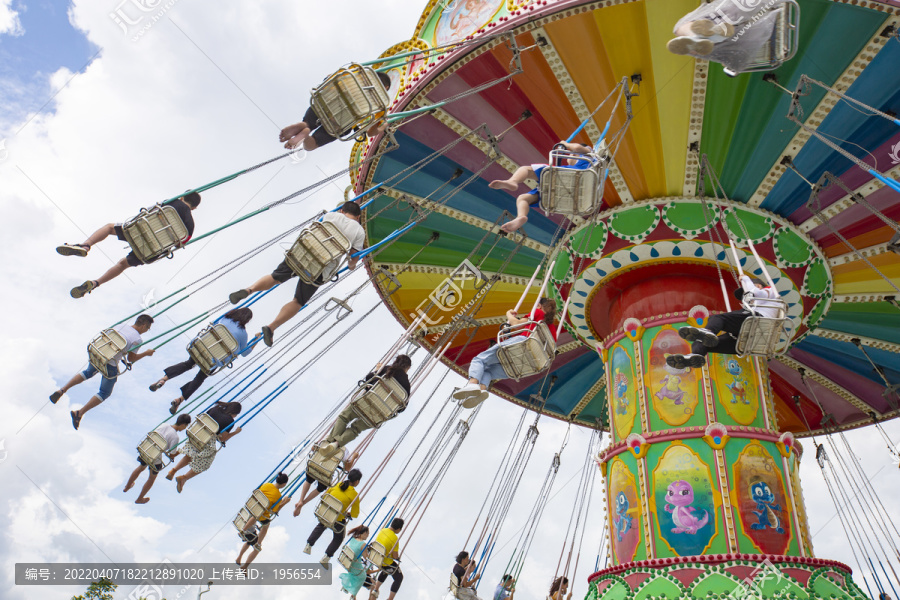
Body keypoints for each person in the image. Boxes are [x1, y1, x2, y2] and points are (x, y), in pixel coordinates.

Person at [228, 201, 366, 346]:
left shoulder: (331, 216)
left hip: (302, 253)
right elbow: (353, 256)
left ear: (342, 211)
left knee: (275, 277)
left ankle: (249, 290)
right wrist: (352, 265)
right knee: (298, 301)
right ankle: (272, 327)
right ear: (357, 217)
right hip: (320, 269)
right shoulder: (359, 231)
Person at [58, 192, 202, 298]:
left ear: (183, 197)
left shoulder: (173, 201)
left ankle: (86, 246)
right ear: (194, 208)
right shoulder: (191, 226)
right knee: (122, 264)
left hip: (140, 230)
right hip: (152, 249)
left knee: (109, 228)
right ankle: (96, 283)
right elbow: (180, 243)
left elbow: (151, 210)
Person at [50, 314, 156, 430]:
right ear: (144, 326)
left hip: (99, 354)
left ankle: (62, 390)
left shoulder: (120, 325)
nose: (146, 331)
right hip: (110, 364)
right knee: (104, 392)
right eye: (147, 328)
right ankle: (79, 413)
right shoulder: (137, 339)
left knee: (87, 373)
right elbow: (131, 358)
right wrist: (146, 353)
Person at [149, 308, 260, 414]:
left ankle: (163, 379)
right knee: (200, 378)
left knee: (188, 364)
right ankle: (180, 400)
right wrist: (256, 340)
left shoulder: (225, 318)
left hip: (201, 347)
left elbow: (211, 325)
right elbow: (244, 352)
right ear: (247, 320)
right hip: (213, 360)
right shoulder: (243, 334)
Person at [452, 298, 558, 408]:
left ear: (539, 306)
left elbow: (516, 324)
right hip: (529, 363)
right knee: (489, 372)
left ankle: (473, 384)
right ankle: (482, 390)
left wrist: (509, 314)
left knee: (479, 360)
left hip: (521, 345)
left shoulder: (538, 312)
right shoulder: (552, 330)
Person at [666, 275, 780, 370]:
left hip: (757, 320)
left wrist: (745, 279)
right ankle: (695, 356)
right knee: (701, 340)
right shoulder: (755, 304)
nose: (745, 299)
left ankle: (708, 331)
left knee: (718, 319)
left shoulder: (770, 291)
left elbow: (758, 294)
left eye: (746, 293)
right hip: (742, 340)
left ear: (758, 286)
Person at [320, 355, 413, 458]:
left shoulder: (388, 369)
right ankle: (336, 445)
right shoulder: (407, 386)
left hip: (366, 402)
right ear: (408, 368)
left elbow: (369, 378)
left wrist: (378, 369)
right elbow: (402, 408)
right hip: (378, 415)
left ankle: (330, 442)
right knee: (356, 429)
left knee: (344, 417)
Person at [489, 142, 593, 233]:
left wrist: (566, 144)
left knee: (526, 169)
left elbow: (578, 148)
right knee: (523, 198)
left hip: (565, 177)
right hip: (569, 191)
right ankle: (520, 217)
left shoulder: (588, 155)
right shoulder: (591, 168)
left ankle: (513, 182)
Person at [279, 72, 392, 152]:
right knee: (311, 145)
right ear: (385, 88)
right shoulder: (380, 106)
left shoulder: (351, 75)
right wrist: (385, 125)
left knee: (309, 121)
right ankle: (306, 136)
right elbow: (370, 132)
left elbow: (328, 78)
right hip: (340, 124)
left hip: (323, 106)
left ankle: (305, 125)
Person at [666, 0, 784, 74]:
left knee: (681, 28)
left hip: (733, 29)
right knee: (680, 28)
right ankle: (698, 35)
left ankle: (696, 35)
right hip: (742, 41)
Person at [166, 401, 243, 492]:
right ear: (235, 413)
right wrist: (235, 432)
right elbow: (223, 438)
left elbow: (203, 417)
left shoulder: (215, 409)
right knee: (206, 462)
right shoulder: (230, 420)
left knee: (191, 453)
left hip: (197, 432)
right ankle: (184, 478)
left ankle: (173, 470)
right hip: (206, 441)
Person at [124, 414, 191, 504]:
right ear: (183, 424)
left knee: (141, 467)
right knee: (152, 477)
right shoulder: (175, 437)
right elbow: (171, 455)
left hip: (147, 448)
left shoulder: (164, 425)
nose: (185, 428)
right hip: (155, 457)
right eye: (186, 426)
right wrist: (181, 451)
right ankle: (140, 498)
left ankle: (127, 486)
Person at [304, 469, 363, 567]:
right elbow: (355, 514)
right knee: (339, 537)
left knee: (322, 525)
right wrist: (347, 513)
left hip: (325, 513)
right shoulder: (354, 495)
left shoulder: (338, 485)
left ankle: (308, 545)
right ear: (357, 481)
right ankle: (326, 557)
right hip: (337, 519)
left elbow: (325, 495)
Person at [236, 472, 292, 569]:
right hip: (261, 515)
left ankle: (241, 557)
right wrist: (284, 502)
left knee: (250, 540)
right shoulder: (277, 495)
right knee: (265, 527)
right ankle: (257, 545)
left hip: (253, 507)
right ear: (284, 484)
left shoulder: (266, 485)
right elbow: (274, 511)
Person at [293, 448, 360, 517]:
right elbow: (347, 468)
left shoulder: (328, 440)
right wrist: (353, 457)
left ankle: (301, 500)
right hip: (326, 473)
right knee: (320, 489)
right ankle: (303, 503)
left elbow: (313, 448)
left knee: (309, 480)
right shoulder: (344, 451)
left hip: (315, 465)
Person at [369, 518, 404, 600]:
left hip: (376, 558)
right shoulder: (395, 538)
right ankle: (390, 598)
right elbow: (395, 556)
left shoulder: (383, 530)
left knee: (387, 569)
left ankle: (376, 589)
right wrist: (397, 557)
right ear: (399, 529)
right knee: (399, 577)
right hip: (384, 562)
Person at [339, 525, 375, 600]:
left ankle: (349, 588)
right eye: (368, 534)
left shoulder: (353, 538)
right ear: (364, 533)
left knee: (357, 576)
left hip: (348, 563)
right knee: (363, 577)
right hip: (355, 566)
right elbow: (366, 558)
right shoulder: (363, 544)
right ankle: (353, 595)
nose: (368, 536)